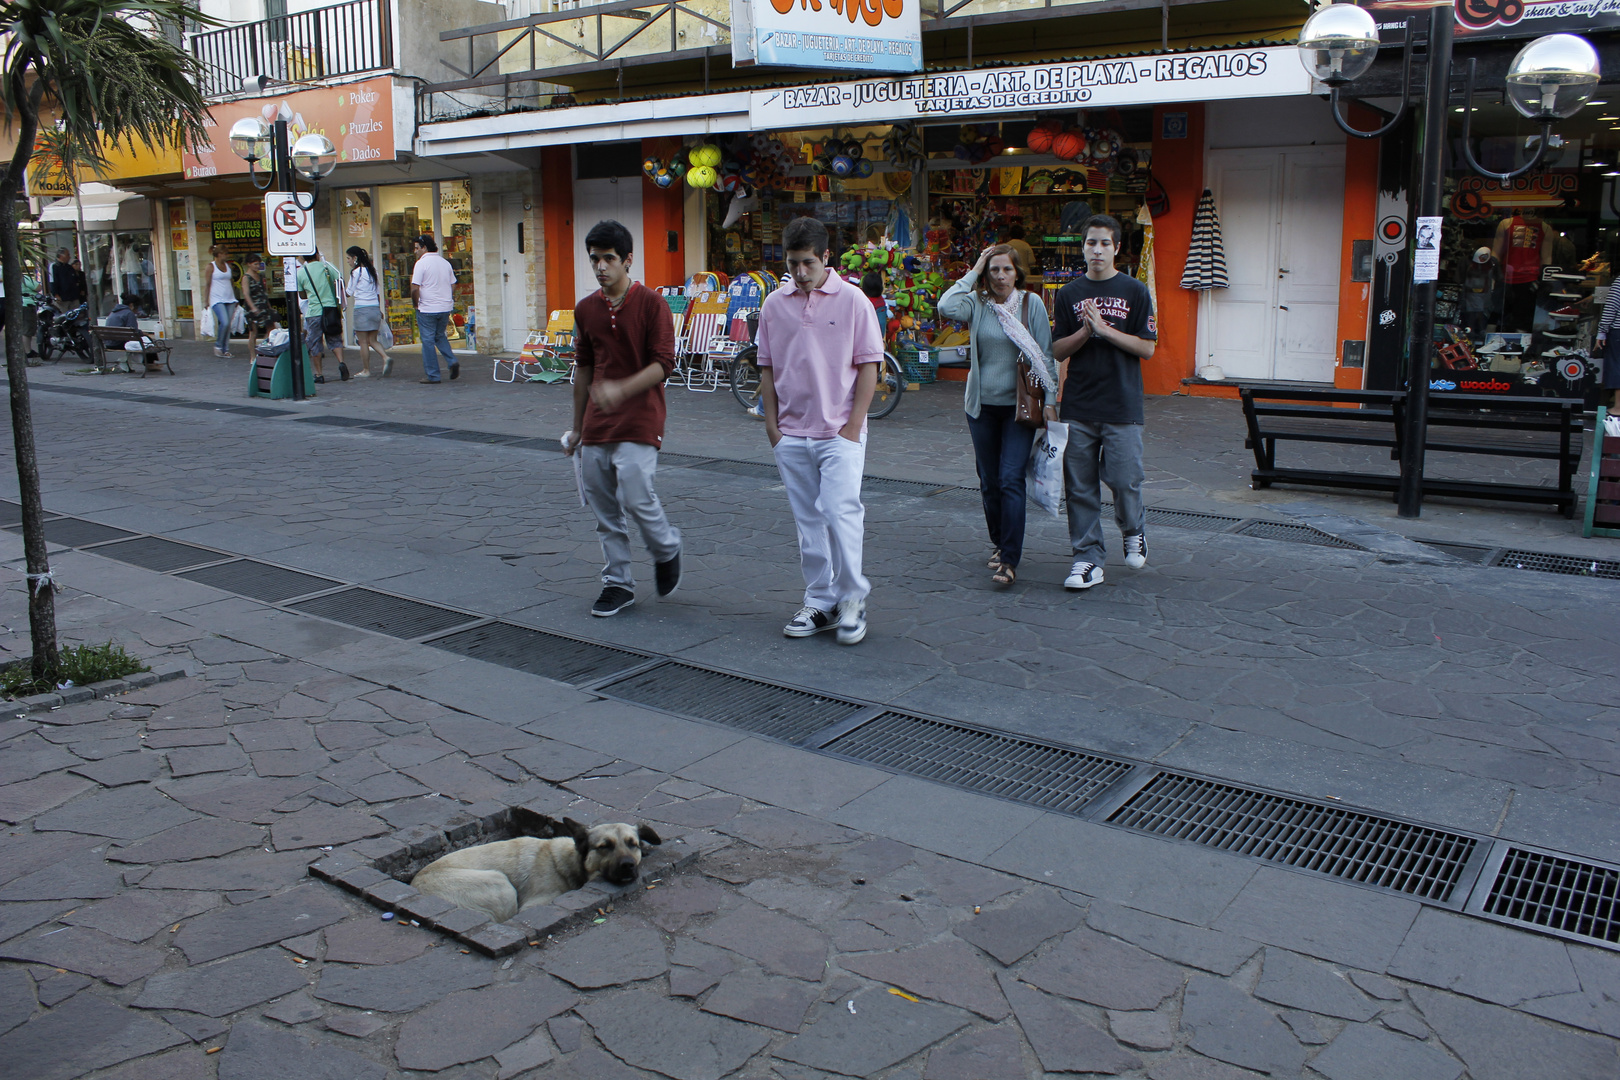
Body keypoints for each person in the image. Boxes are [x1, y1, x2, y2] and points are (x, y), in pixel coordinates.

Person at [756, 216, 882, 645]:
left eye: (808, 263)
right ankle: (819, 598)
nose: (800, 272)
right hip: (791, 432)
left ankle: (851, 599)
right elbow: (767, 369)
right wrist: (773, 428)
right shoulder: (774, 304)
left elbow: (869, 366)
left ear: (827, 257)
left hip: (839, 430)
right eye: (793, 264)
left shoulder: (853, 301)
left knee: (841, 513)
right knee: (808, 520)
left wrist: (853, 426)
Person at [562, 219, 682, 618]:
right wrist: (577, 428)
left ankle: (665, 548)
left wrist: (622, 389)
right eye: (594, 259)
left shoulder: (652, 304)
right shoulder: (586, 310)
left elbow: (665, 363)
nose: (600, 267)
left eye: (609, 259)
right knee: (603, 510)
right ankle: (618, 584)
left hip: (641, 419)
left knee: (635, 492)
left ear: (628, 260)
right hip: (597, 425)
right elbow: (583, 368)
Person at [938, 243, 1056, 587]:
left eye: (1006, 269)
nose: (1001, 276)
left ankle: (1009, 558)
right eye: (994, 270)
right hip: (980, 407)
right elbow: (946, 305)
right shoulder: (976, 303)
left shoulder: (1031, 305)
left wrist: (1051, 401)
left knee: (1009, 478)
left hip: (1019, 410)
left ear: (1017, 272)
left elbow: (1045, 356)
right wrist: (974, 269)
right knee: (989, 481)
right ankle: (998, 540)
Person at [1050, 214, 1157, 591]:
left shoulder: (1135, 291)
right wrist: (1085, 330)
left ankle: (1134, 529)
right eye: (1091, 243)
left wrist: (1106, 330)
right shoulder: (1068, 294)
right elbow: (1057, 348)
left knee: (1126, 479)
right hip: (1078, 403)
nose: (1097, 249)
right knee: (1079, 487)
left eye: (1104, 243)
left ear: (1117, 248)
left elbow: (1147, 347)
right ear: (1082, 248)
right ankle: (1087, 558)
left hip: (1122, 404)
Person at [410, 234, 458, 384]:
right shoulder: (445, 263)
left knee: (428, 341)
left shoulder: (421, 264)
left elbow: (414, 287)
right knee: (440, 335)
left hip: (427, 307)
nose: (415, 251)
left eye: (417, 248)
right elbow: (453, 284)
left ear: (424, 247)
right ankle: (451, 360)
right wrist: (447, 297)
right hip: (444, 306)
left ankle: (433, 374)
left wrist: (416, 303)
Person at [297, 249, 346, 383]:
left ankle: (319, 374)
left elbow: (302, 295)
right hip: (330, 309)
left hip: (314, 312)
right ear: (317, 254)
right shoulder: (326, 267)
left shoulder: (302, 272)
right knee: (335, 338)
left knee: (315, 342)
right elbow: (340, 279)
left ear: (304, 257)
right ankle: (341, 362)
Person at [346, 246, 386, 378]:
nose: (347, 261)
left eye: (348, 258)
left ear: (355, 258)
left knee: (363, 342)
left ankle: (366, 369)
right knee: (373, 339)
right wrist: (379, 310)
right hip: (374, 308)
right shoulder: (373, 271)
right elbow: (377, 293)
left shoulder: (356, 273)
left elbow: (348, 293)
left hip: (361, 309)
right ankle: (385, 357)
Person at [106, 291, 160, 368]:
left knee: (144, 339)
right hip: (119, 343)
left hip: (109, 343)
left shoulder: (113, 312)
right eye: (137, 307)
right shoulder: (128, 313)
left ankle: (149, 363)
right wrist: (143, 333)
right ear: (131, 305)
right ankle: (150, 364)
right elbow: (133, 332)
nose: (137, 311)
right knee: (147, 340)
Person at [205, 245, 238, 359]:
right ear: (219, 254)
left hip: (230, 298)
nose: (226, 255)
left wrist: (235, 297)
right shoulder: (211, 266)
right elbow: (208, 283)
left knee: (228, 324)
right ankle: (218, 346)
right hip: (217, 298)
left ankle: (226, 349)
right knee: (224, 322)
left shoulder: (228, 266)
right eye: (225, 253)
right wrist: (206, 300)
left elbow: (231, 282)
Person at [241, 253, 276, 357]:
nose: (257, 266)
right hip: (253, 307)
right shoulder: (246, 278)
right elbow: (246, 294)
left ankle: (262, 347)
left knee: (271, 327)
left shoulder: (260, 276)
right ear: (249, 264)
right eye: (255, 264)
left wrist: (269, 306)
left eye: (258, 264)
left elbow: (264, 292)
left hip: (263, 305)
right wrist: (252, 307)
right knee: (254, 332)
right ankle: (253, 356)